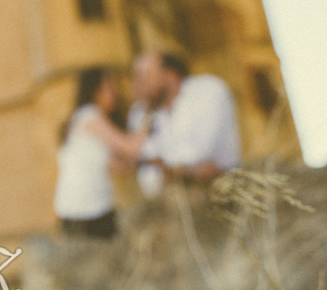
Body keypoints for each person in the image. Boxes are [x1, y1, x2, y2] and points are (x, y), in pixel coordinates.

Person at [54, 67, 151, 239]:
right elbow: (132, 148)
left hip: (83, 211)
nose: (115, 94)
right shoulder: (89, 115)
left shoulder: (83, 119)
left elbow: (116, 166)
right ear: (94, 91)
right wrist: (149, 116)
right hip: (85, 213)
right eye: (110, 88)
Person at [129, 51, 240, 194]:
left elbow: (201, 152)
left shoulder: (207, 91)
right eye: (136, 77)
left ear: (170, 75)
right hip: (169, 200)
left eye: (146, 76)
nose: (138, 85)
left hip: (220, 189)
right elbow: (147, 170)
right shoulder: (140, 112)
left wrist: (165, 166)